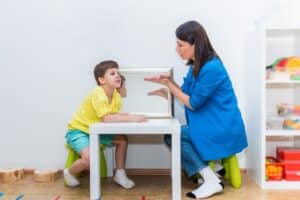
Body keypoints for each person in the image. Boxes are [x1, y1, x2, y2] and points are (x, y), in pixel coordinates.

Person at [145, 21, 248, 199]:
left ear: (195, 44)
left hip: (221, 127)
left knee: (173, 136)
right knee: (173, 135)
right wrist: (166, 88)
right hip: (210, 124)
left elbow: (193, 103)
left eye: (180, 45)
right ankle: (212, 173)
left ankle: (210, 180)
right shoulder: (196, 66)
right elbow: (184, 93)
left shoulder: (212, 68)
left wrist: (170, 85)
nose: (177, 49)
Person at [64, 60, 146, 189]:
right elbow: (107, 118)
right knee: (89, 159)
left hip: (96, 130)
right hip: (79, 130)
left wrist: (129, 115)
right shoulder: (98, 93)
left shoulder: (116, 95)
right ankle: (69, 172)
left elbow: (112, 115)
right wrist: (131, 118)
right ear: (102, 80)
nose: (118, 75)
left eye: (118, 73)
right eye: (112, 73)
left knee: (122, 140)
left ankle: (119, 173)